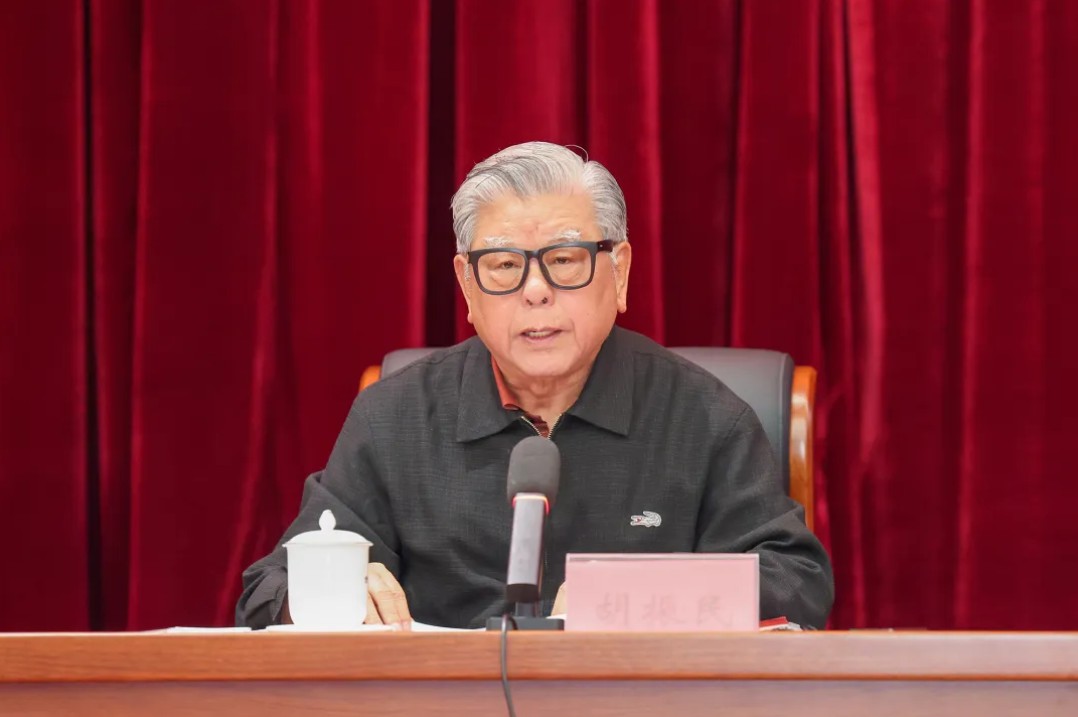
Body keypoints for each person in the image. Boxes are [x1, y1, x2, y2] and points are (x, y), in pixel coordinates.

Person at [237, 141, 833, 630]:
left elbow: (797, 582)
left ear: (620, 272)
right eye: (503, 265)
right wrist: (328, 588)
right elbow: (266, 592)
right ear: (467, 287)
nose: (535, 290)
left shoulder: (706, 419)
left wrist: (636, 595)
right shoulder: (393, 419)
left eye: (565, 259)